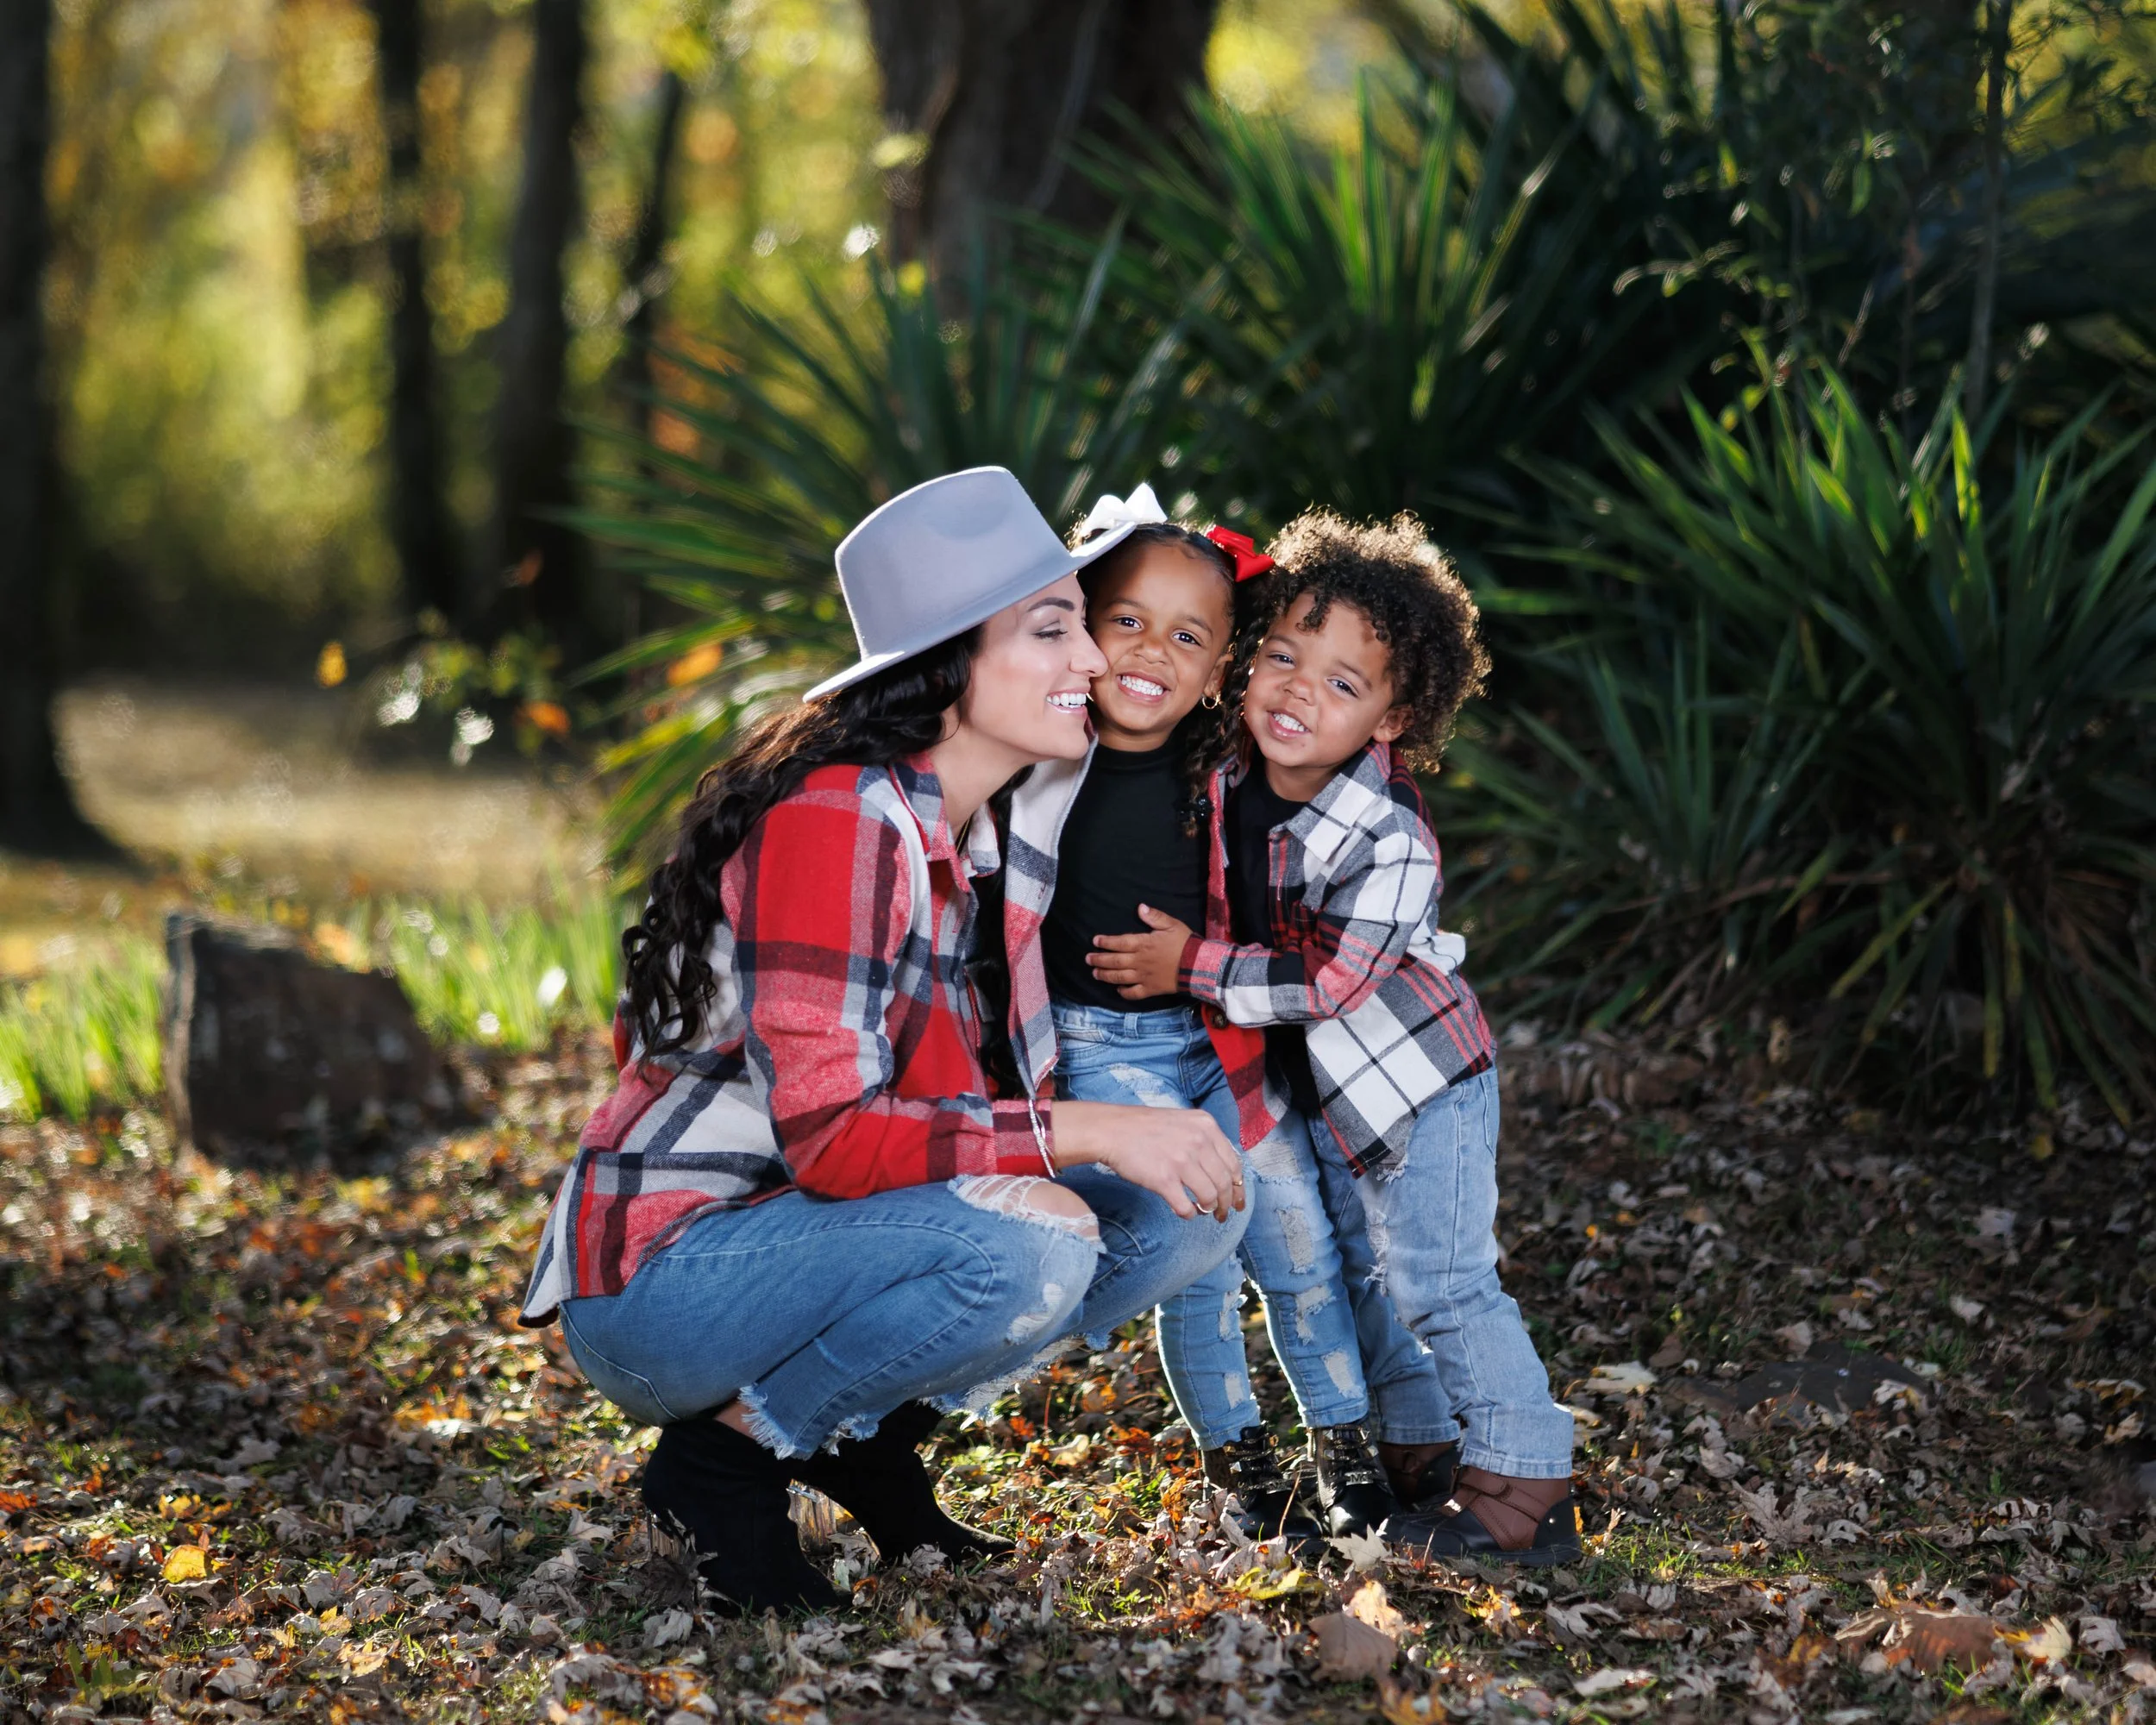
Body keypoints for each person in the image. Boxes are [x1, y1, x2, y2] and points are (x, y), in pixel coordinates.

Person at [518, 467, 1251, 1614]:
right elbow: (834, 1142)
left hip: (804, 1242)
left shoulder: (966, 832)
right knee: (1033, 1243)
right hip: (667, 1281)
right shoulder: (839, 821)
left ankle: (859, 1439)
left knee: (1192, 1207)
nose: (1093, 659)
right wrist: (1090, 1128)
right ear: (950, 662)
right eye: (1051, 629)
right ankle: (720, 1468)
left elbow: (937, 1115)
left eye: (1080, 625)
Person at [1087, 509, 1580, 1565]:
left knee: (1441, 1278)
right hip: (1327, 1093)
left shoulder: (1387, 834)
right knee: (1362, 1266)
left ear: (1392, 717)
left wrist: (1190, 967)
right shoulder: (1230, 767)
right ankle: (1420, 1444)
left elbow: (1331, 982)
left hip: (1424, 1084)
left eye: (1342, 683)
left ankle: (1526, 1481)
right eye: (1280, 657)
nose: (1298, 692)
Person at [1032, 484, 1451, 1547]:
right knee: (1199, 1264)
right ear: (1080, 628)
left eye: (1187, 636)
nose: (1150, 651)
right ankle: (1239, 1460)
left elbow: (1339, 758)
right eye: (1126, 620)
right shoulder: (1040, 757)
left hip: (1227, 1042)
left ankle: (1343, 1446)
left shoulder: (1222, 759)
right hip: (1100, 1051)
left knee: (1299, 1242)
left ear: (1223, 662)